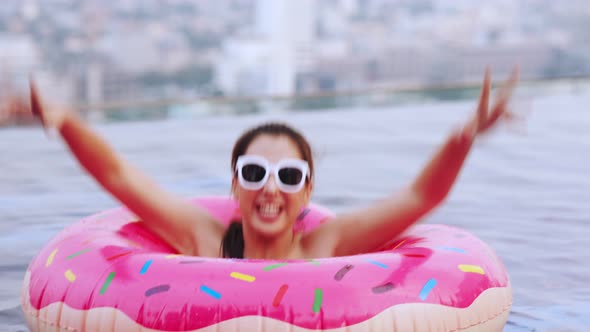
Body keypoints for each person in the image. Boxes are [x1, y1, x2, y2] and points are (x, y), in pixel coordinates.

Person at [3, 67, 519, 260]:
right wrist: (64, 121)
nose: (270, 190)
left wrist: (465, 135)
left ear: (307, 192)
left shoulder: (328, 248)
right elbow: (118, 177)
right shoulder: (203, 241)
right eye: (254, 173)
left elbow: (420, 198)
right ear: (235, 184)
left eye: (288, 177)